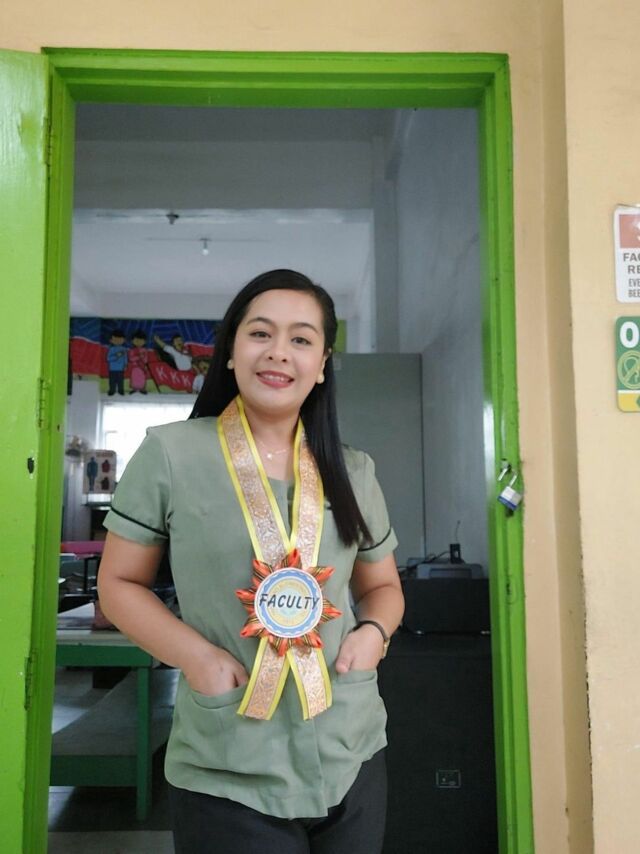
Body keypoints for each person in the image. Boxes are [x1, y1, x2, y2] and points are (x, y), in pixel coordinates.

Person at [97, 269, 404, 854]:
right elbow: (118, 584)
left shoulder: (353, 470)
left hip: (350, 746)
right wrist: (198, 659)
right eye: (260, 333)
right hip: (227, 759)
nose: (278, 352)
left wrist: (374, 634)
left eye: (301, 339)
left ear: (322, 364)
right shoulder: (170, 455)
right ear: (231, 351)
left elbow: (383, 587)